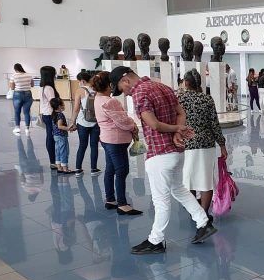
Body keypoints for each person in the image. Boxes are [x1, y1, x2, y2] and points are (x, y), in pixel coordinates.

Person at [110, 66, 215, 254]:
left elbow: (154, 124)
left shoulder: (139, 92)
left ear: (125, 80)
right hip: (177, 152)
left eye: (122, 89)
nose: (124, 93)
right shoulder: (162, 86)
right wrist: (178, 130)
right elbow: (181, 113)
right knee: (179, 189)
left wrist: (177, 130)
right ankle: (203, 222)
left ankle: (156, 241)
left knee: (161, 200)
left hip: (159, 154)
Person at [178, 69, 228, 218]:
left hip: (187, 145)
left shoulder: (180, 99)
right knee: (205, 180)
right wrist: (222, 145)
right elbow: (215, 125)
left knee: (189, 181)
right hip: (207, 145)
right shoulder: (207, 99)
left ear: (186, 83)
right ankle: (204, 213)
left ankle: (196, 213)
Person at [91, 71, 141, 216]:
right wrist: (133, 125)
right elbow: (123, 121)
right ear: (110, 84)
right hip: (117, 140)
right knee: (122, 170)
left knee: (110, 169)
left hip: (107, 139)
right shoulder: (110, 101)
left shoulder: (98, 98)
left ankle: (110, 199)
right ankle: (123, 204)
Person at [70, 71, 101, 177]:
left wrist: (72, 122)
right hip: (95, 122)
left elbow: (76, 109)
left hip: (82, 122)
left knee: (82, 145)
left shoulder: (80, 90)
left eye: (79, 81)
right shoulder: (97, 89)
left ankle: (78, 169)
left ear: (82, 81)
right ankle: (94, 169)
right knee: (94, 146)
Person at [39, 66, 60, 168]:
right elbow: (53, 102)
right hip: (50, 114)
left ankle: (53, 160)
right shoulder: (49, 88)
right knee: (51, 137)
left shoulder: (43, 87)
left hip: (45, 114)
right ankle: (53, 161)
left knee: (49, 136)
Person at [50, 97, 73, 174]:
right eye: (63, 104)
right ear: (59, 106)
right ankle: (65, 168)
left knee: (58, 151)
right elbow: (60, 126)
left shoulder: (53, 114)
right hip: (61, 136)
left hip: (56, 136)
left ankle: (59, 167)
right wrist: (68, 128)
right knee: (64, 151)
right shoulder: (60, 115)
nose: (64, 106)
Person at [10, 63, 34, 135]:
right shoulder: (29, 75)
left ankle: (17, 128)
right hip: (28, 94)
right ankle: (27, 129)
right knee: (27, 112)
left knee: (17, 112)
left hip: (17, 94)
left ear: (15, 69)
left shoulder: (13, 76)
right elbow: (32, 85)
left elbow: (12, 88)